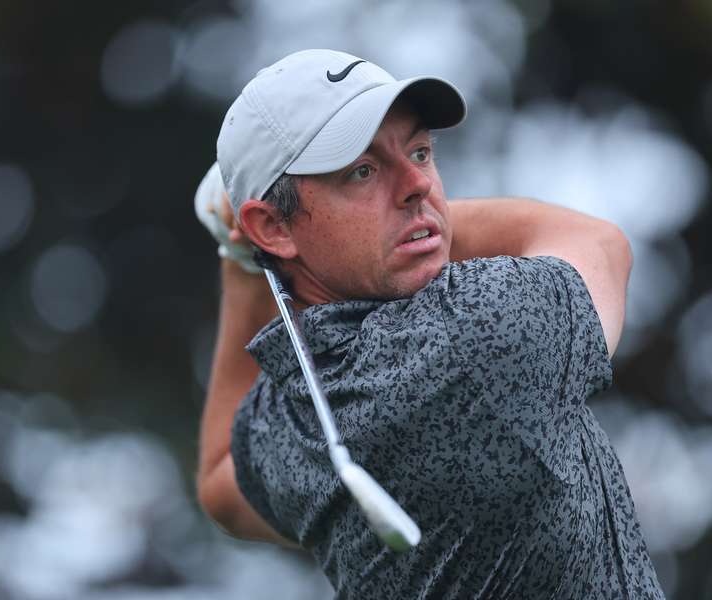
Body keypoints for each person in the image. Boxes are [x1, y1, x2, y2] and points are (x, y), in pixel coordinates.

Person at [195, 49, 665, 598]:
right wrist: (426, 223)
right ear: (273, 226)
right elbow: (600, 245)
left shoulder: (296, 411)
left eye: (420, 150)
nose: (417, 183)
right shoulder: (474, 332)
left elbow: (219, 481)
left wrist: (243, 263)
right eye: (362, 171)